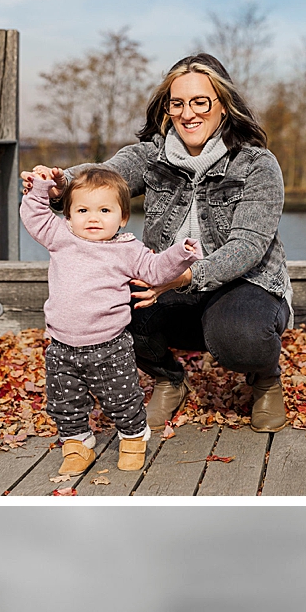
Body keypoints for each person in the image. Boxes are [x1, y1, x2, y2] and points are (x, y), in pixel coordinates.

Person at [28, 54, 294, 435]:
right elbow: (101, 177)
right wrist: (59, 183)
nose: (189, 113)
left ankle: (265, 380)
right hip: (164, 279)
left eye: (201, 101)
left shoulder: (257, 164)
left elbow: (247, 248)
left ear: (223, 106)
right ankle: (170, 379)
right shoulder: (150, 157)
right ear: (167, 108)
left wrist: (184, 278)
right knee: (110, 308)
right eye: (178, 103)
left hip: (243, 285)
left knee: (240, 334)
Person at [21, 164, 201, 475]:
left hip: (110, 344)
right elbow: (35, 217)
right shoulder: (61, 236)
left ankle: (133, 438)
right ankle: (76, 444)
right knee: (65, 402)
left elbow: (155, 270)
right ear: (69, 215)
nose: (93, 218)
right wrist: (39, 189)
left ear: (122, 217)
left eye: (104, 210)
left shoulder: (127, 249)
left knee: (122, 397)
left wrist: (180, 254)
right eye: (82, 210)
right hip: (62, 343)